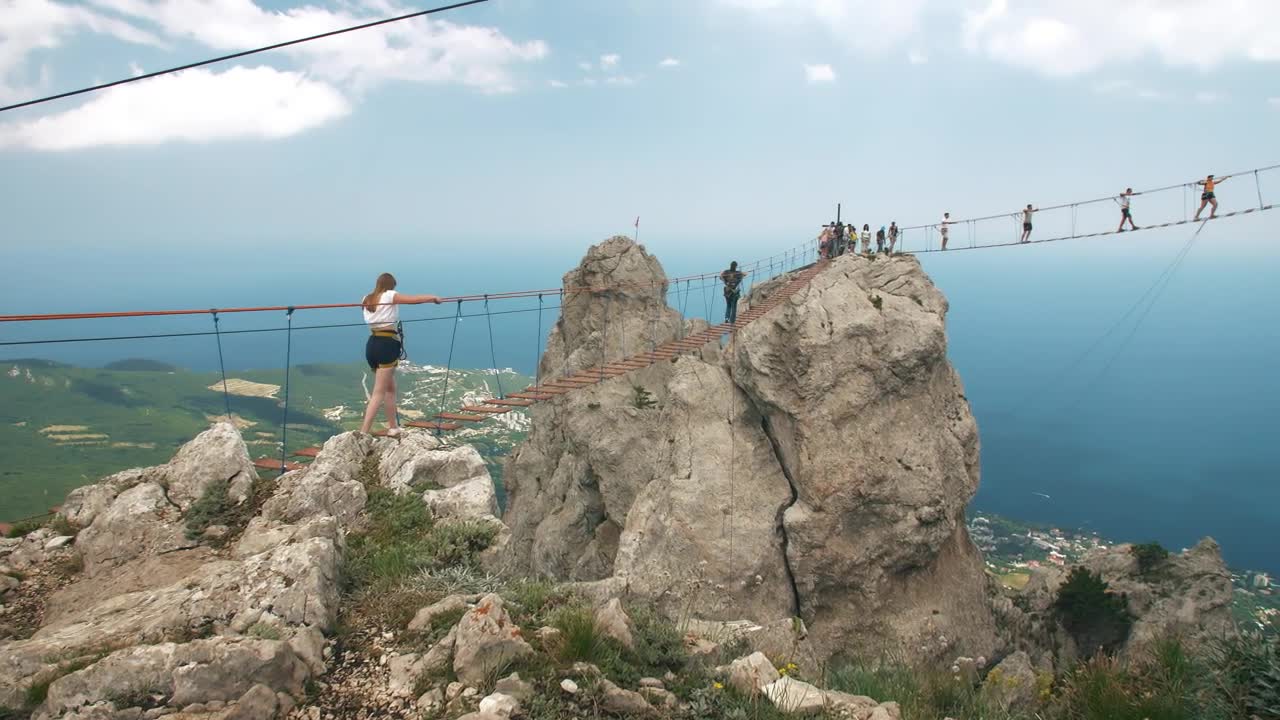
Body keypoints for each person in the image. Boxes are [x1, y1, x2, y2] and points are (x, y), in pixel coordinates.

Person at [360, 273, 443, 436]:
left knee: (391, 388)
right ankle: (362, 433)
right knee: (379, 392)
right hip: (386, 345)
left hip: (372, 344)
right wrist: (433, 297)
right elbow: (414, 300)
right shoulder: (390, 295)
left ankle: (393, 427)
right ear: (391, 285)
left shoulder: (366, 299)